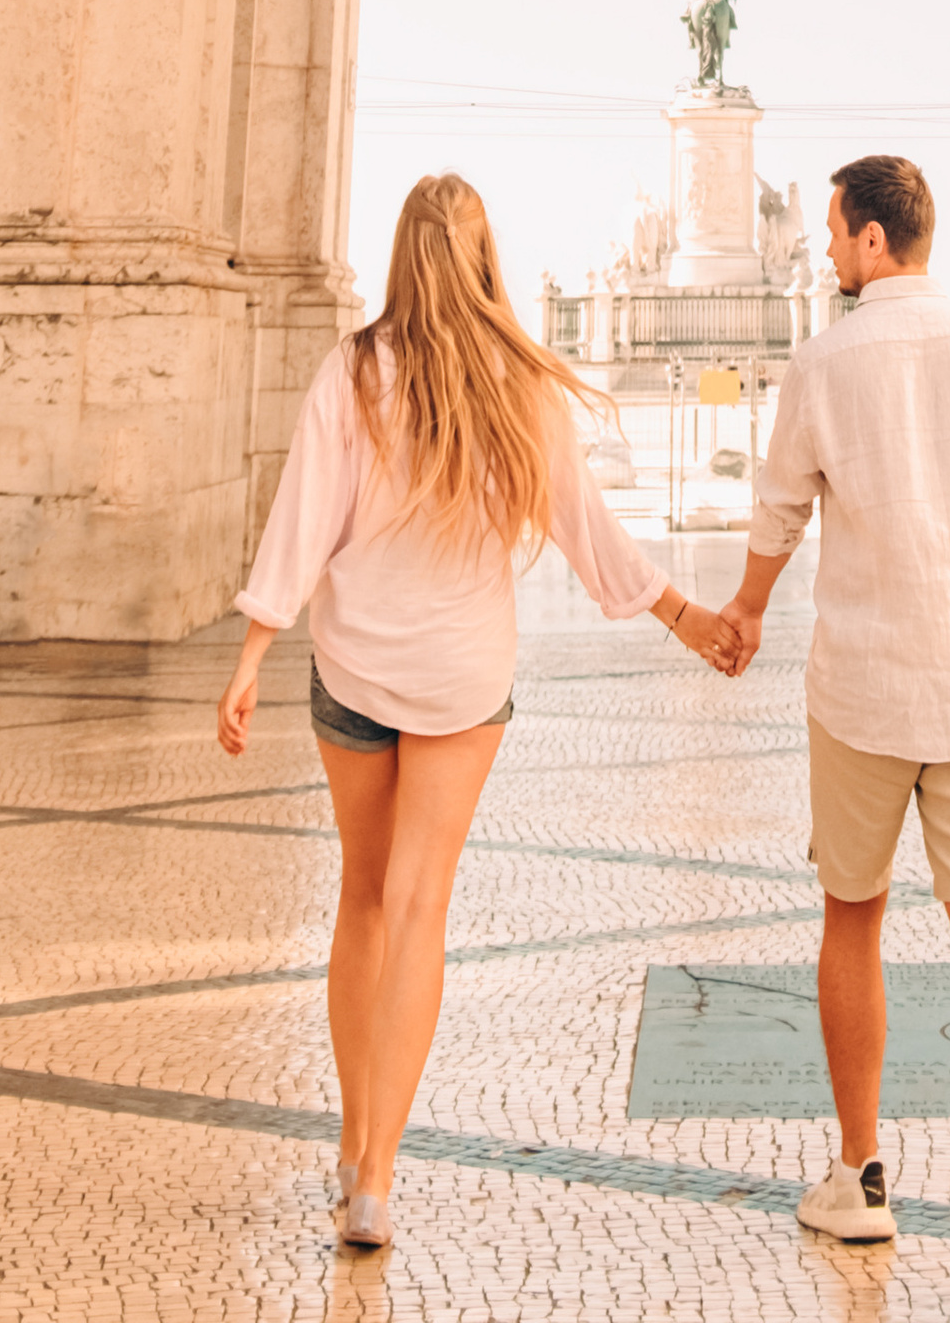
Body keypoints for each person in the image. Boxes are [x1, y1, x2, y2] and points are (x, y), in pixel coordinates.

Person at [217, 172, 737, 1254]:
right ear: (484, 257)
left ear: (402, 254)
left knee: (360, 902)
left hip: (354, 668)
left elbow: (301, 518)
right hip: (461, 681)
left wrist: (254, 648)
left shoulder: (354, 370)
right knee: (417, 908)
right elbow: (587, 529)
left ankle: (355, 1144)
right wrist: (683, 616)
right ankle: (382, 1179)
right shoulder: (516, 381)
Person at [713, 151, 950, 1302]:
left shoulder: (823, 362)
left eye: (832, 232)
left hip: (864, 695)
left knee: (851, 922)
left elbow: (777, 512)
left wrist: (745, 613)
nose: (823, 248)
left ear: (874, 241)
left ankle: (863, 1180)